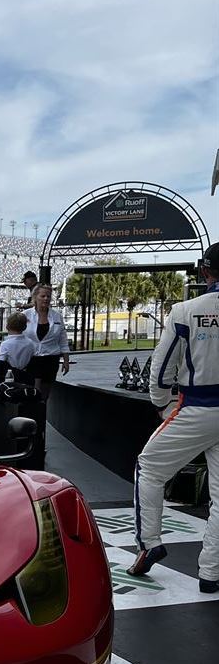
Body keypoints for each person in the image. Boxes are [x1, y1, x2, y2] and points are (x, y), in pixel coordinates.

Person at [128, 241, 219, 592]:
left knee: (149, 468)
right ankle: (210, 573)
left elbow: (161, 368)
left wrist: (163, 406)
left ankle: (150, 542)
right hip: (202, 407)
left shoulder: (184, 311)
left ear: (205, 271)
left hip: (196, 407)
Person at [23, 284, 70, 401]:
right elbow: (17, 336)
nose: (46, 299)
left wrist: (66, 360)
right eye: (43, 296)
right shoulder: (25, 315)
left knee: (45, 394)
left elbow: (63, 339)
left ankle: (42, 410)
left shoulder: (57, 316)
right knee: (33, 392)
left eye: (48, 296)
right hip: (31, 359)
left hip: (51, 359)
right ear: (35, 297)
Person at [0, 312, 35, 384]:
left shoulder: (6, 344)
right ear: (25, 327)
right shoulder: (30, 343)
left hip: (8, 379)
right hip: (25, 378)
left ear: (7, 326)